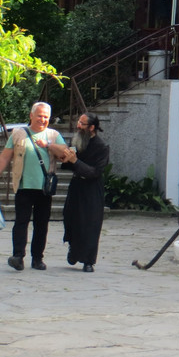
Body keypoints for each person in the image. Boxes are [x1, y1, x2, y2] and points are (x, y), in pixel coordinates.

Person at [0, 102, 66, 271]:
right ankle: (18, 257)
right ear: (31, 115)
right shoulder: (19, 134)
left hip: (44, 188)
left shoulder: (53, 135)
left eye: (46, 117)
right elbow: (4, 157)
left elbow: (66, 154)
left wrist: (49, 146)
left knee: (41, 224)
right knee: (21, 222)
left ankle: (38, 258)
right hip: (24, 185)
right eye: (39, 115)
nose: (43, 119)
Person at [59, 112, 110, 272]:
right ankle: (73, 250)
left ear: (92, 127)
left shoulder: (101, 147)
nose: (78, 126)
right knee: (71, 218)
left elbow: (95, 172)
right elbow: (69, 164)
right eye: (78, 122)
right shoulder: (77, 140)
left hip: (92, 189)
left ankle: (89, 260)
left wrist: (75, 161)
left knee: (90, 224)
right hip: (76, 186)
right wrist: (65, 157)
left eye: (82, 123)